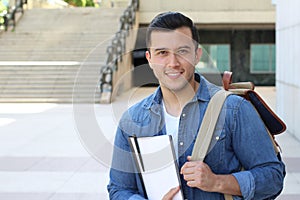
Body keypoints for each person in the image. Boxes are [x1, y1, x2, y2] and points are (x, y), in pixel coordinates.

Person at [107, 12, 285, 200]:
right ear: (149, 58)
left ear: (197, 54)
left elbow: (273, 178)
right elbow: (119, 189)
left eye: (182, 51)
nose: (173, 63)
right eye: (162, 53)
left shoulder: (234, 109)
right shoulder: (132, 120)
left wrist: (216, 182)